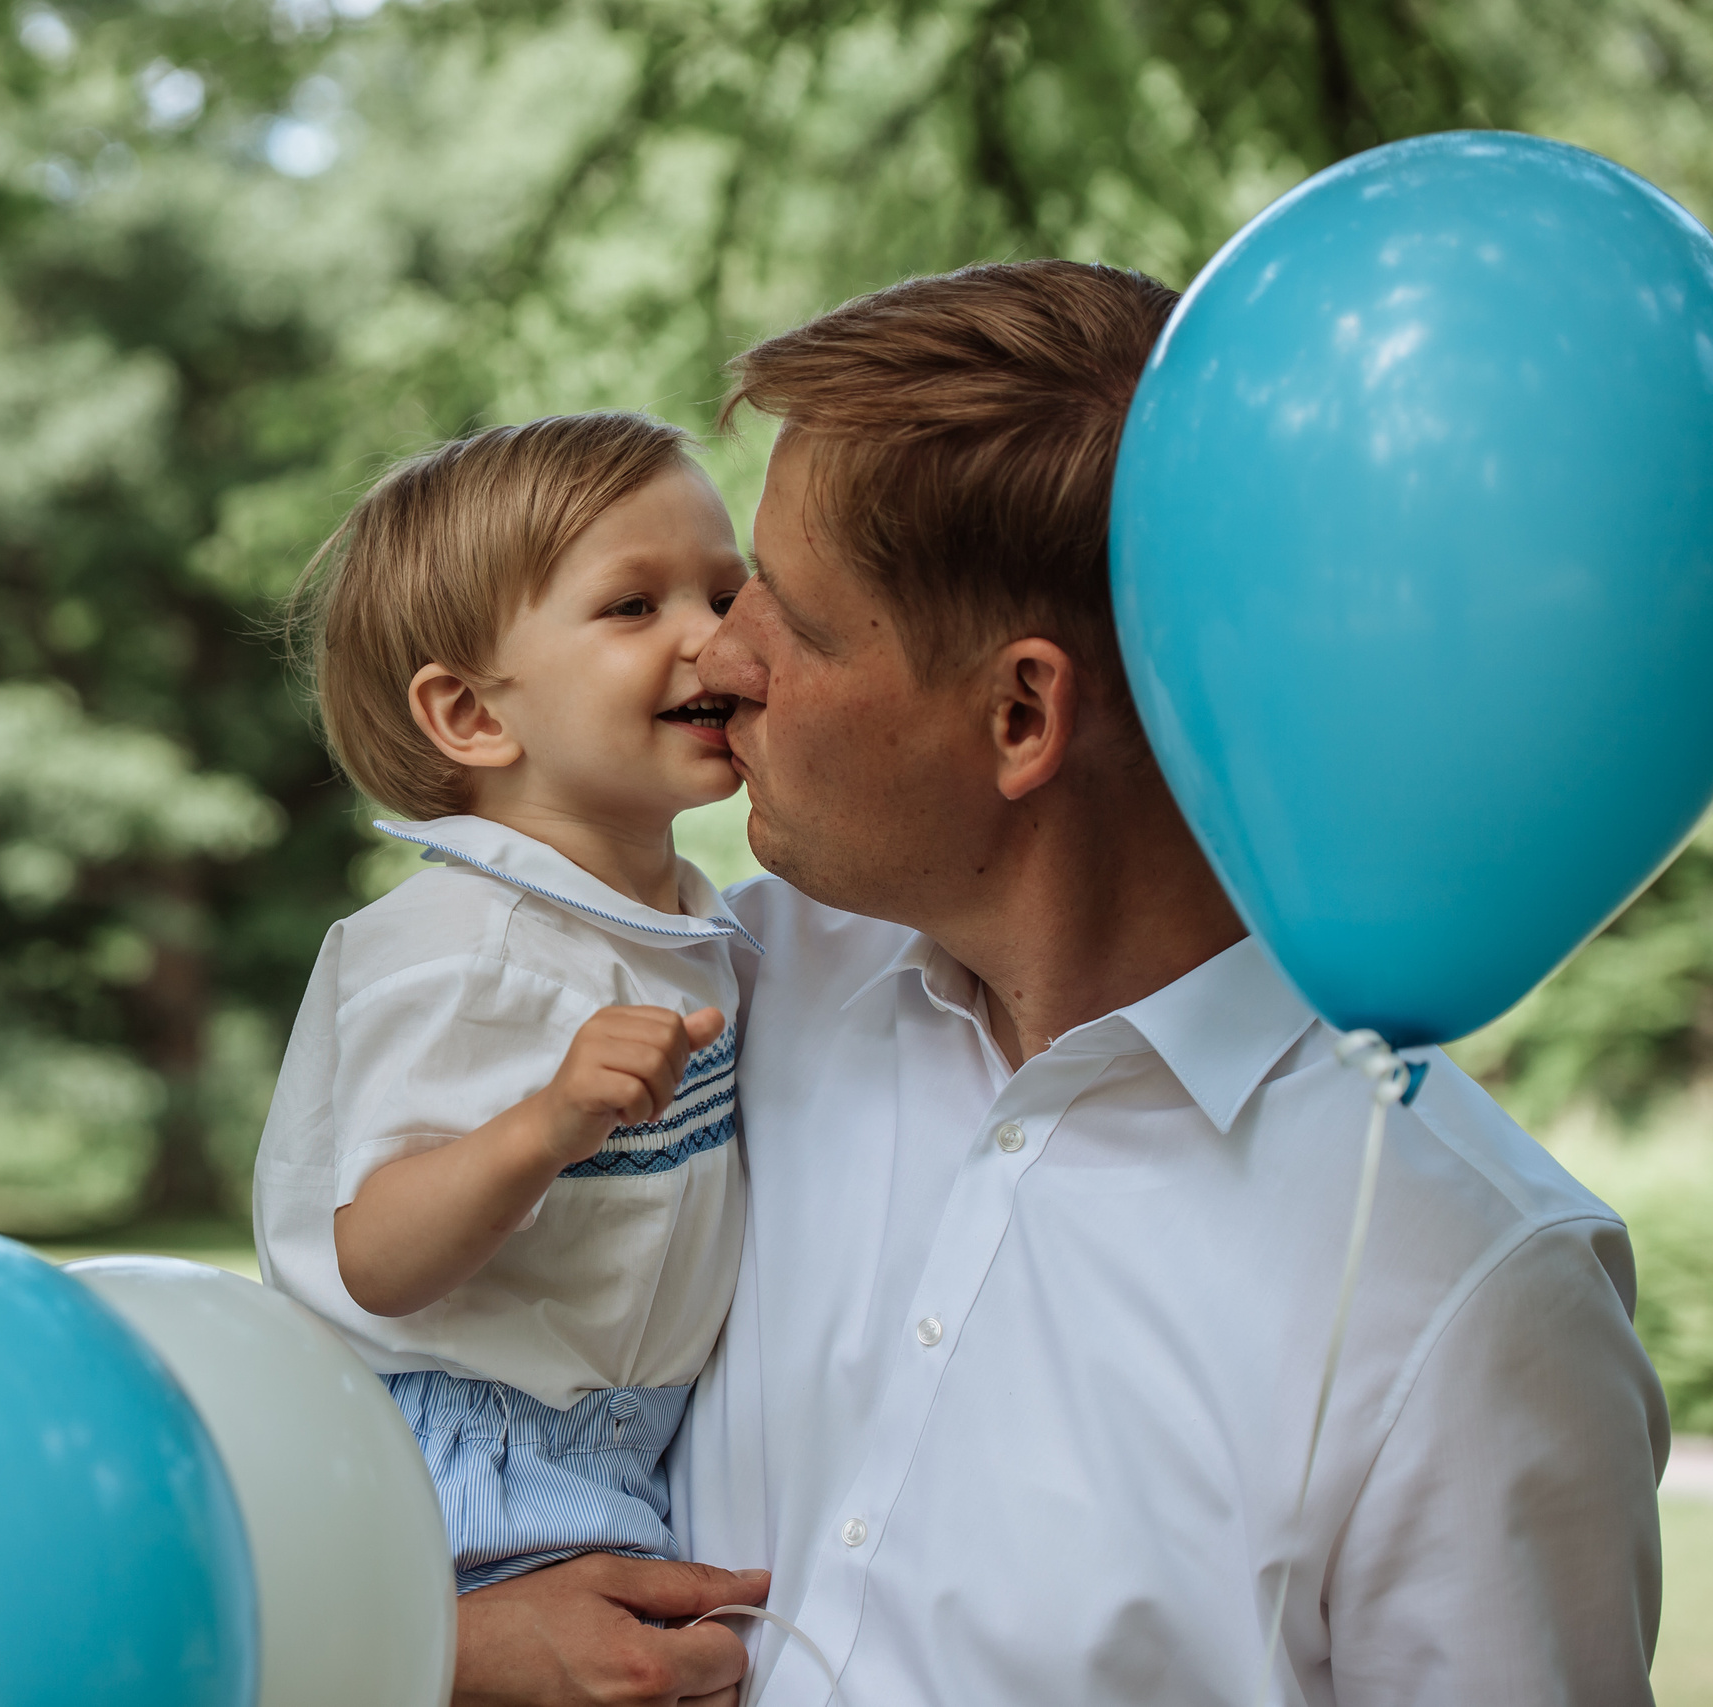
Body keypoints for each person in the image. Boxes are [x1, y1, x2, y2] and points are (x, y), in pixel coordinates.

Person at [450, 261, 1670, 1706]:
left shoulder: (1462, 1287)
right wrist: (445, 1642)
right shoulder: (710, 987)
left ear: (1021, 712)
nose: (719, 652)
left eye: (794, 612)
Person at [254, 412, 764, 1595]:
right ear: (474, 716)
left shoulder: (681, 922)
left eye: (726, 592)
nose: (717, 638)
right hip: (473, 1469)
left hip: (613, 1455)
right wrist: (544, 1126)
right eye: (635, 606)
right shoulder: (462, 946)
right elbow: (375, 1255)